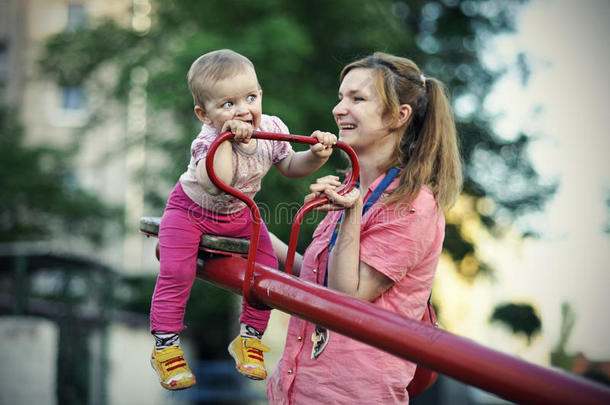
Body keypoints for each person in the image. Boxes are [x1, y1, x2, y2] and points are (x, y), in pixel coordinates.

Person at [266, 52, 462, 404]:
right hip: (299, 389)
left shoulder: (413, 203)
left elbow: (345, 299)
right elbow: (316, 278)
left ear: (398, 116)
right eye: (341, 97)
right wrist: (243, 229)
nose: (339, 109)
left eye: (357, 99)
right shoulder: (353, 188)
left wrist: (352, 210)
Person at [149, 49, 336, 390]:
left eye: (250, 97)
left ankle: (249, 337)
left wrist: (315, 155)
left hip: (239, 216)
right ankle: (166, 344)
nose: (243, 110)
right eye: (228, 104)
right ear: (204, 114)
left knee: (264, 269)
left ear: (261, 95)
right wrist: (227, 139)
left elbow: (291, 166)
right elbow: (218, 182)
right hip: (189, 212)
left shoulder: (271, 128)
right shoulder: (207, 141)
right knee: (177, 271)